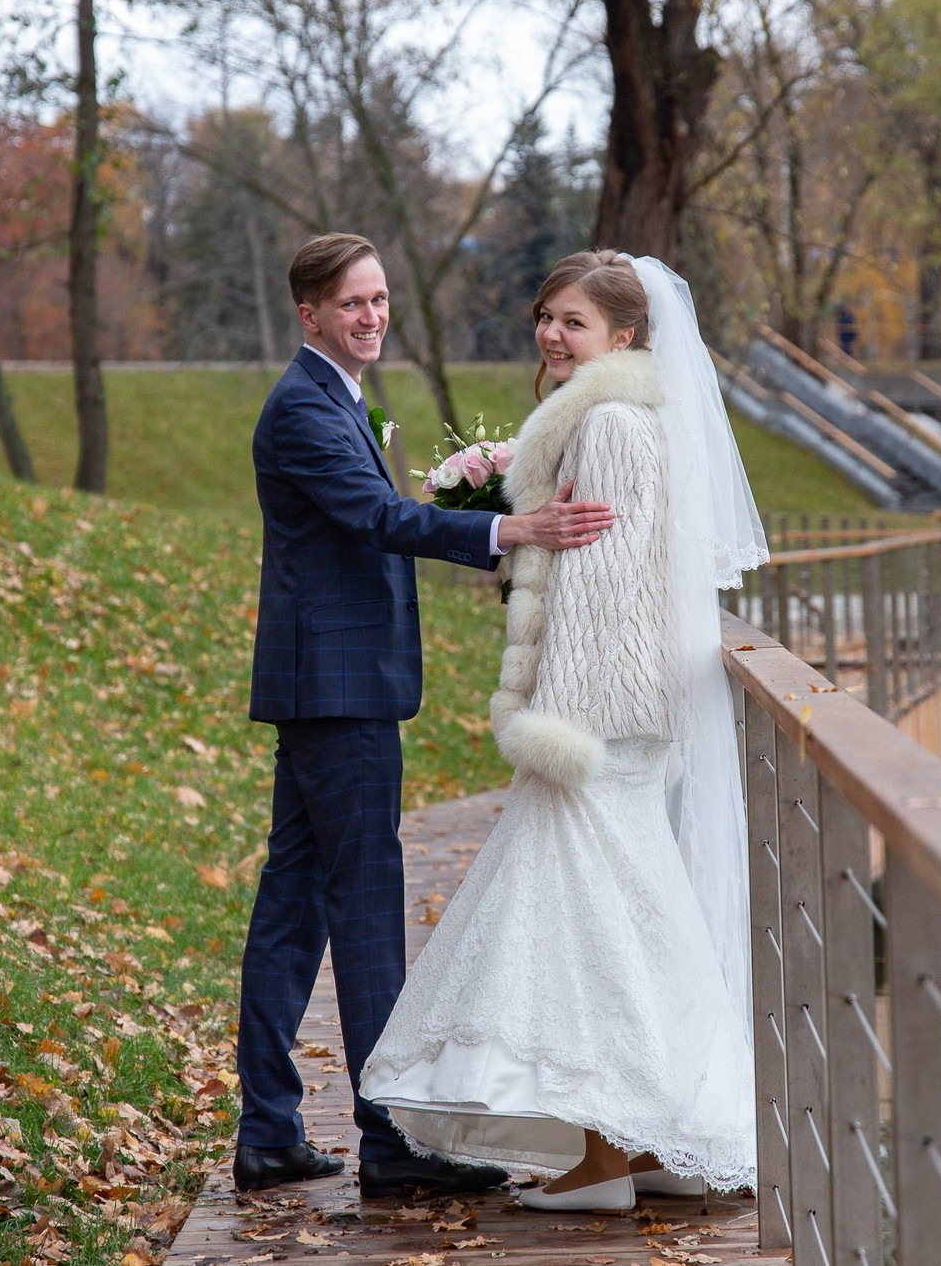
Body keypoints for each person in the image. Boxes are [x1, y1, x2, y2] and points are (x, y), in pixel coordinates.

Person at [360, 250, 769, 1212]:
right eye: (545, 316)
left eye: (573, 322)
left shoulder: (614, 424)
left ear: (624, 335)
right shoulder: (631, 416)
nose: (551, 333)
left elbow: (609, 591)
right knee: (633, 920)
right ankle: (659, 1134)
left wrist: (560, 719)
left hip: (598, 716)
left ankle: (607, 1158)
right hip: (625, 712)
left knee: (593, 930)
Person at [235, 233, 616, 1198]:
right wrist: (510, 527)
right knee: (364, 910)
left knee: (291, 907)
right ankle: (392, 1141)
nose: (370, 317)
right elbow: (379, 518)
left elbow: (375, 515)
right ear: (310, 313)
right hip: (338, 692)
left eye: (379, 300)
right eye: (351, 304)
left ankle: (270, 1130)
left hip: (335, 687)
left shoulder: (339, 397)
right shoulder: (302, 408)